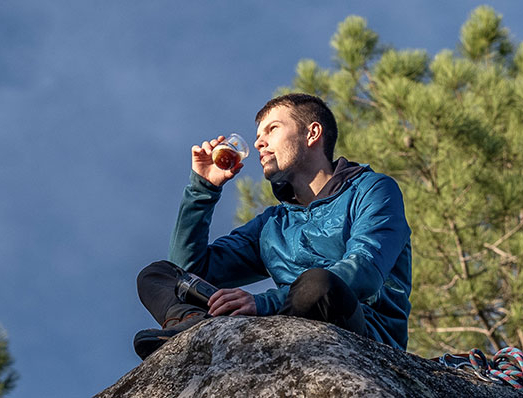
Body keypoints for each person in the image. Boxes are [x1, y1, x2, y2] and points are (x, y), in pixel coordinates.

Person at [133, 93, 413, 360]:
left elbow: (364, 272)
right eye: (257, 136)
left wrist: (263, 304)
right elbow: (191, 272)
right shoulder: (273, 224)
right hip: (287, 325)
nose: (258, 143)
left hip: (362, 331)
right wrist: (203, 189)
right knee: (158, 275)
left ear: (312, 133)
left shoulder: (372, 189)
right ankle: (195, 328)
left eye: (272, 129)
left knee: (317, 284)